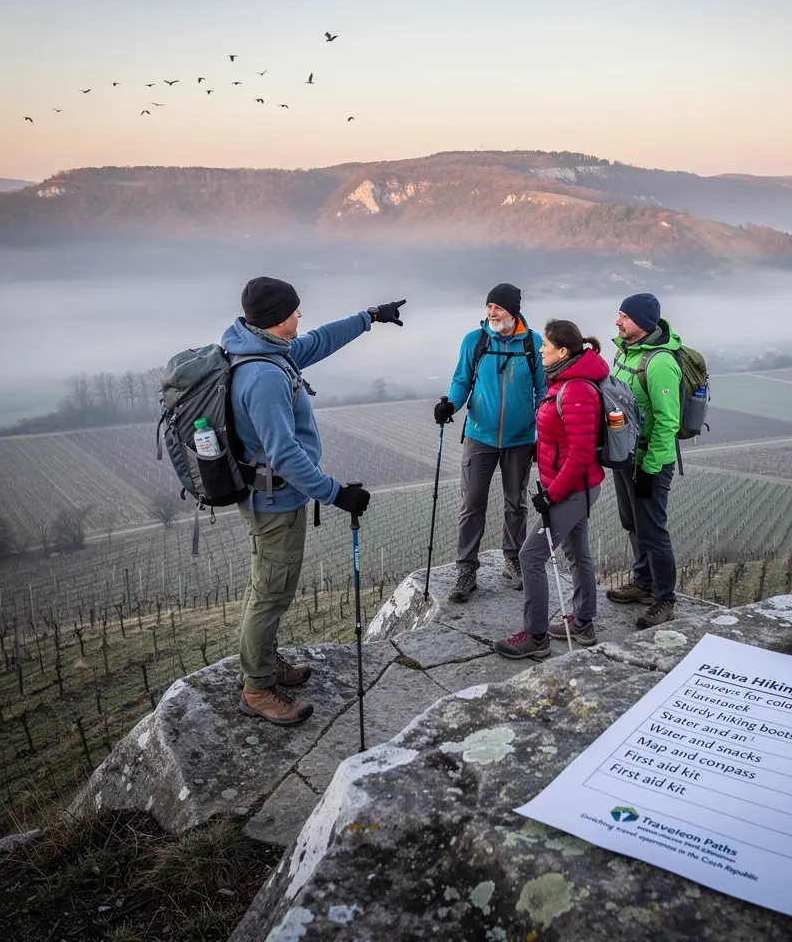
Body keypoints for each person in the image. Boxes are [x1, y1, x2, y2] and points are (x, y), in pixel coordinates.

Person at [221, 277, 406, 726]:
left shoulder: (262, 350)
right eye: (294, 310)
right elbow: (284, 455)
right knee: (271, 593)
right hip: (276, 501)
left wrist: (369, 318)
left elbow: (318, 342)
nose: (300, 316)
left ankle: (264, 664)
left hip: (272, 496)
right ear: (273, 318)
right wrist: (336, 493)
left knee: (269, 586)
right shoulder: (263, 375)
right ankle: (258, 688)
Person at [494, 321, 607, 658]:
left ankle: (536, 637)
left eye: (545, 344)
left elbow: (582, 453)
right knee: (577, 552)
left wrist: (552, 495)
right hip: (571, 486)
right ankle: (583, 623)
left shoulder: (575, 390)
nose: (540, 349)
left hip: (572, 489)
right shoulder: (562, 382)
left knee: (530, 556)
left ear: (562, 351)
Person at [434, 283, 547, 602]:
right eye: (488, 307)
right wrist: (450, 405)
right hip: (479, 435)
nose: (491, 312)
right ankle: (467, 568)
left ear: (513, 310)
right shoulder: (475, 340)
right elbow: (461, 380)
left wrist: (540, 429)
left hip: (520, 438)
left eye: (497, 307)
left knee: (517, 503)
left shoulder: (533, 343)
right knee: (472, 503)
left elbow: (543, 391)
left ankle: (514, 560)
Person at [606, 292, 682, 628]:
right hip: (625, 455)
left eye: (624, 316)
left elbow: (668, 421)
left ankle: (664, 599)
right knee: (632, 523)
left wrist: (652, 468)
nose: (618, 321)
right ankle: (643, 582)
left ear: (643, 323)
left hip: (650, 459)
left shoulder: (660, 362)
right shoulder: (624, 352)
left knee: (652, 530)